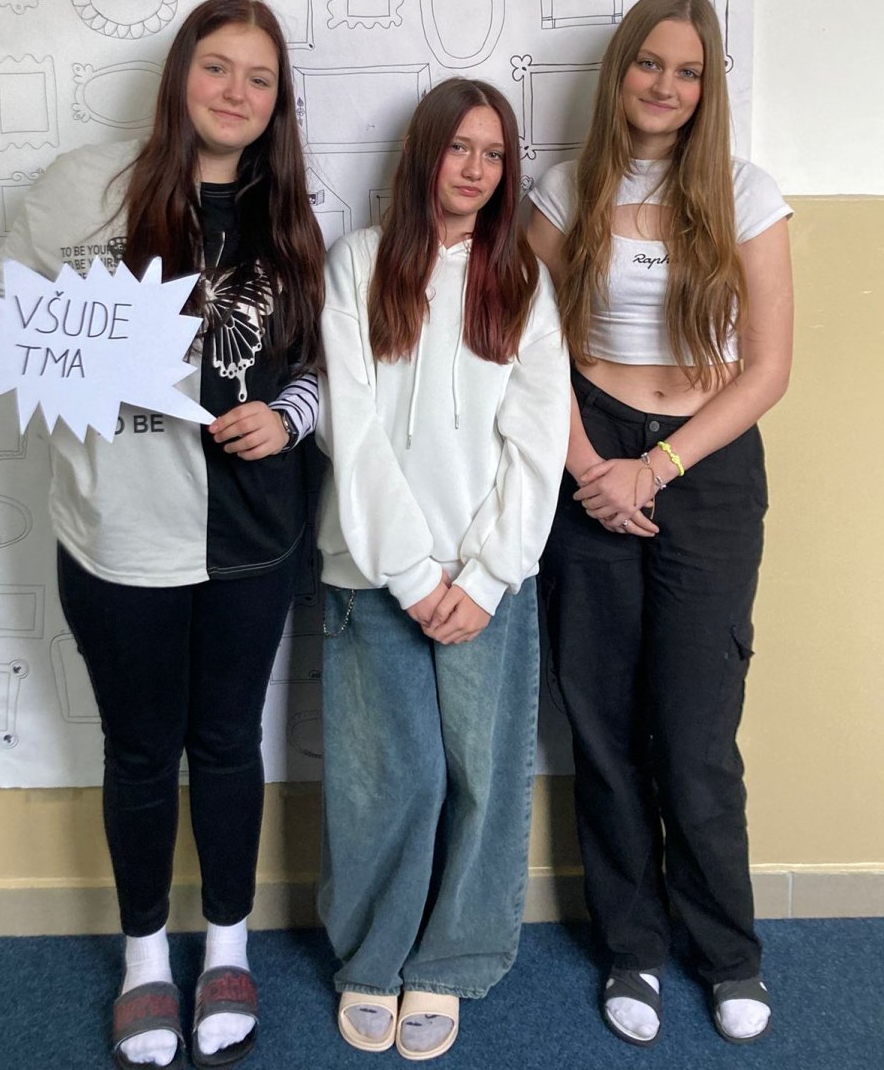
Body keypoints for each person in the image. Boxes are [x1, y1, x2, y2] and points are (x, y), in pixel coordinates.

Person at [0, 0, 325, 1070]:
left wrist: (287, 419)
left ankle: (227, 947)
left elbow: (328, 371)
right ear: (179, 74)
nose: (236, 92)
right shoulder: (81, 187)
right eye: (217, 66)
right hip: (114, 534)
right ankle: (147, 956)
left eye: (260, 78)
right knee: (141, 751)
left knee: (227, 743)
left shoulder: (288, 214)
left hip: (251, 539)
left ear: (278, 102)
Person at [526, 0, 793, 1048]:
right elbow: (528, 350)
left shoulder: (745, 192)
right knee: (600, 723)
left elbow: (767, 370)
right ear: (621, 71)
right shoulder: (563, 190)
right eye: (650, 64)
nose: (666, 86)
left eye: (688, 72)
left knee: (694, 733)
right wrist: (593, 467)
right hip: (586, 447)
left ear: (707, 87)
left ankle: (728, 954)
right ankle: (631, 946)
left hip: (705, 464)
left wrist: (659, 466)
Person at [315, 78, 569, 1060]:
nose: (476, 168)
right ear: (424, 152)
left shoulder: (522, 282)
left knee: (482, 775)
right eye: (460, 147)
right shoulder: (358, 264)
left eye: (495, 154)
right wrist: (412, 573)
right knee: (393, 777)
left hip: (487, 578)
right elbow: (351, 429)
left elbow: (536, 441)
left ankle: (452, 960)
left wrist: (489, 574)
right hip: (373, 571)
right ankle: (373, 956)